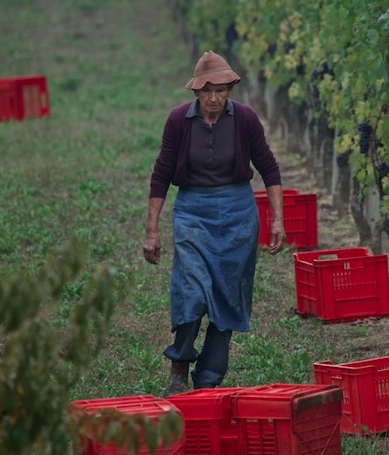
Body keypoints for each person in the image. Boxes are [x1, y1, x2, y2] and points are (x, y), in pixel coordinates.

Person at [142, 50, 286, 396]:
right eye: (207, 91)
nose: (214, 98)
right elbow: (161, 174)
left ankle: (207, 380)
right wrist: (152, 229)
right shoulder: (179, 121)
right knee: (191, 288)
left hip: (237, 213)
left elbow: (269, 167)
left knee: (227, 296)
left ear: (229, 90)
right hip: (193, 210)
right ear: (196, 92)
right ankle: (179, 368)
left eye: (220, 91)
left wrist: (278, 219)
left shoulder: (246, 119)